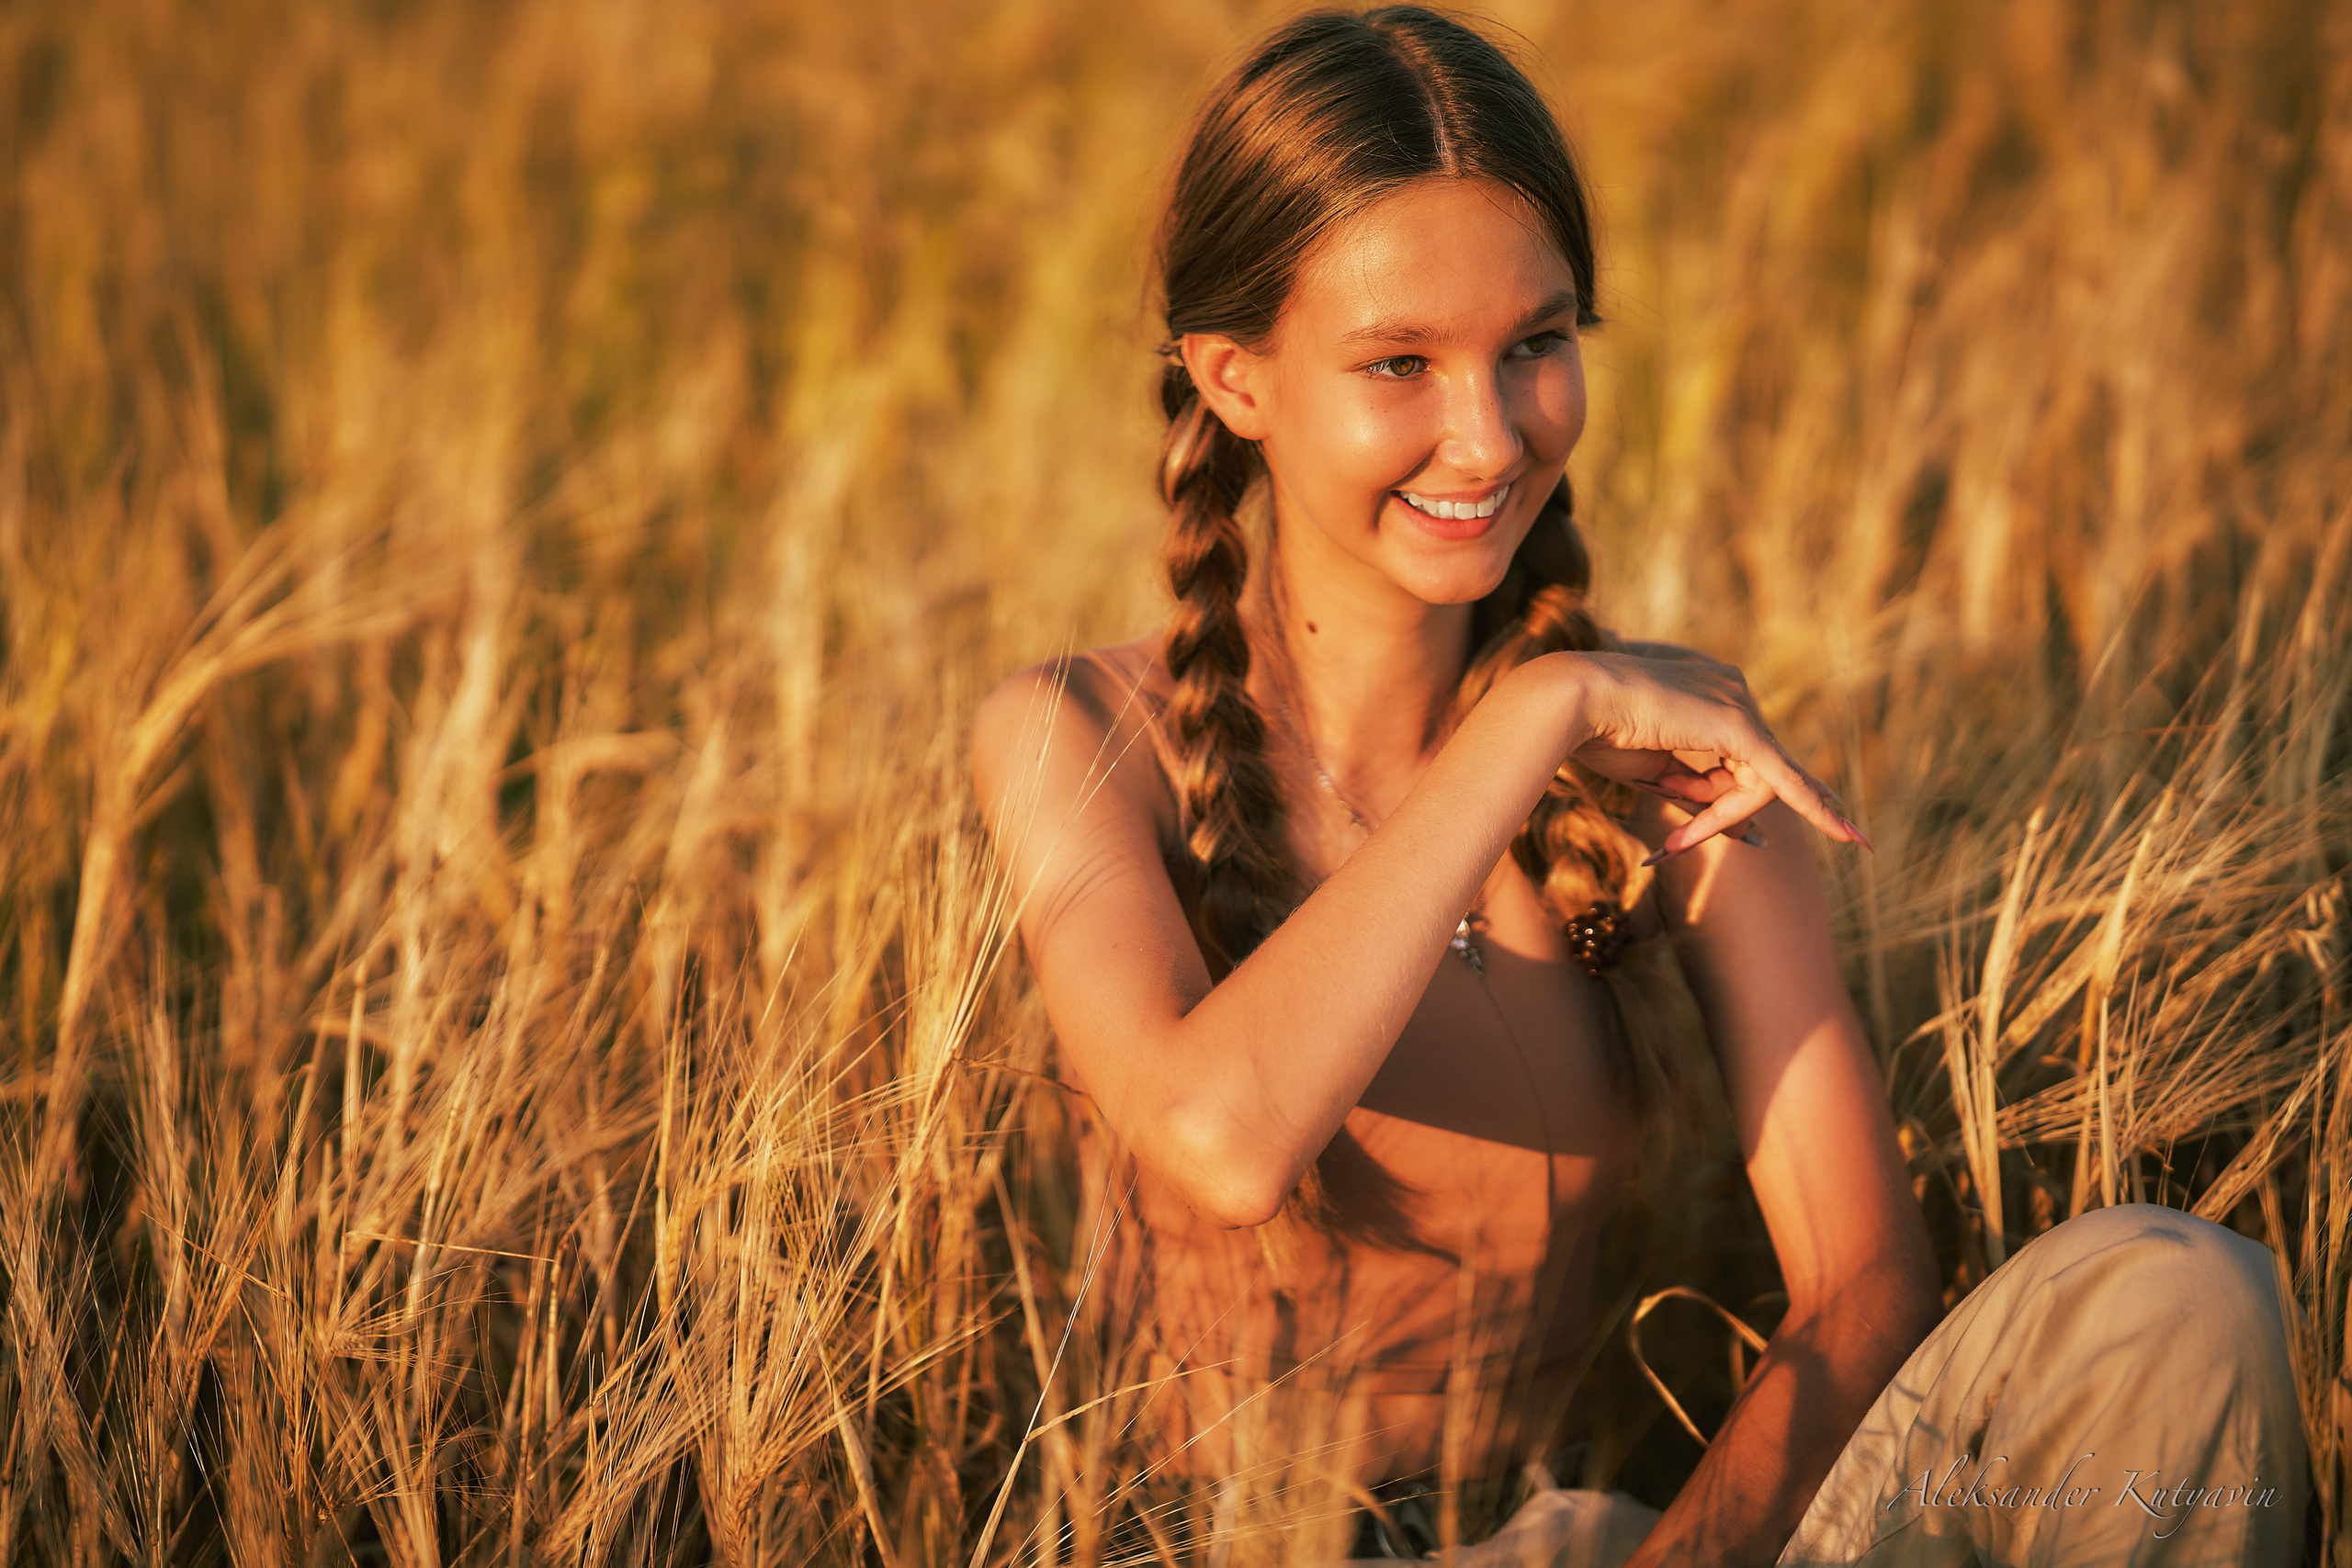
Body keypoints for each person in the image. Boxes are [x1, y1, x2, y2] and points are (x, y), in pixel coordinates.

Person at [969, 9, 2306, 1564]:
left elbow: (1864, 1284)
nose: (1489, 436)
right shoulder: (1076, 733)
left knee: (2178, 1298)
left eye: (1536, 346)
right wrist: (1532, 720)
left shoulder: (1676, 761)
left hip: (1567, 1546)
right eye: (1400, 363)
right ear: (1235, 378)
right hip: (1221, 1543)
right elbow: (1221, 1140)